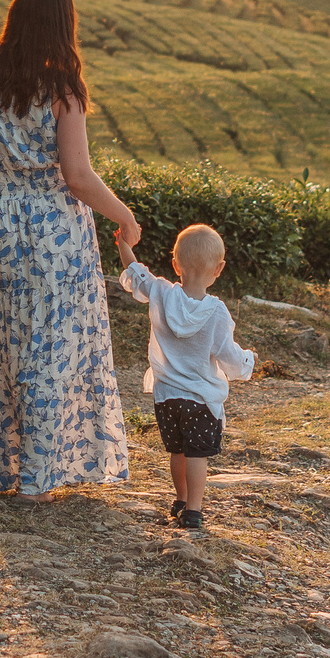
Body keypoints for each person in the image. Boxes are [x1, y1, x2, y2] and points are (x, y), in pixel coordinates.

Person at [0, 0, 142, 503]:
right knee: (52, 346)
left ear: (15, 19)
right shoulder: (63, 90)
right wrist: (126, 216)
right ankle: (40, 475)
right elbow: (79, 178)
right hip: (55, 230)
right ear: (63, 27)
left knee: (7, 338)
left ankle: (13, 468)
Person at [116, 222, 254, 530]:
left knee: (177, 451)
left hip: (166, 397)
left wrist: (122, 242)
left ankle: (179, 499)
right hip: (201, 400)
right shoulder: (216, 312)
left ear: (175, 264)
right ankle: (193, 510)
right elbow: (229, 356)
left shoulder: (162, 293)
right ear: (219, 269)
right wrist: (248, 361)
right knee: (196, 456)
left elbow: (135, 272)